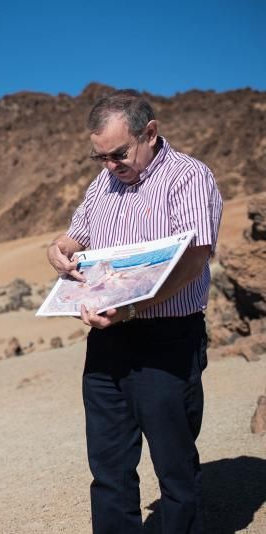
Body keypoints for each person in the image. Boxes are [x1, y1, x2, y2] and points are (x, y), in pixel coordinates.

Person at [47, 90, 223, 533]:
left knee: (174, 466)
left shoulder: (188, 178)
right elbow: (75, 237)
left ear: (150, 132)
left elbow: (195, 257)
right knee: (108, 465)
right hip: (108, 340)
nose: (110, 165)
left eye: (119, 154)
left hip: (167, 340)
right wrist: (58, 250)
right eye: (100, 157)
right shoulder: (101, 185)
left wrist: (134, 307)